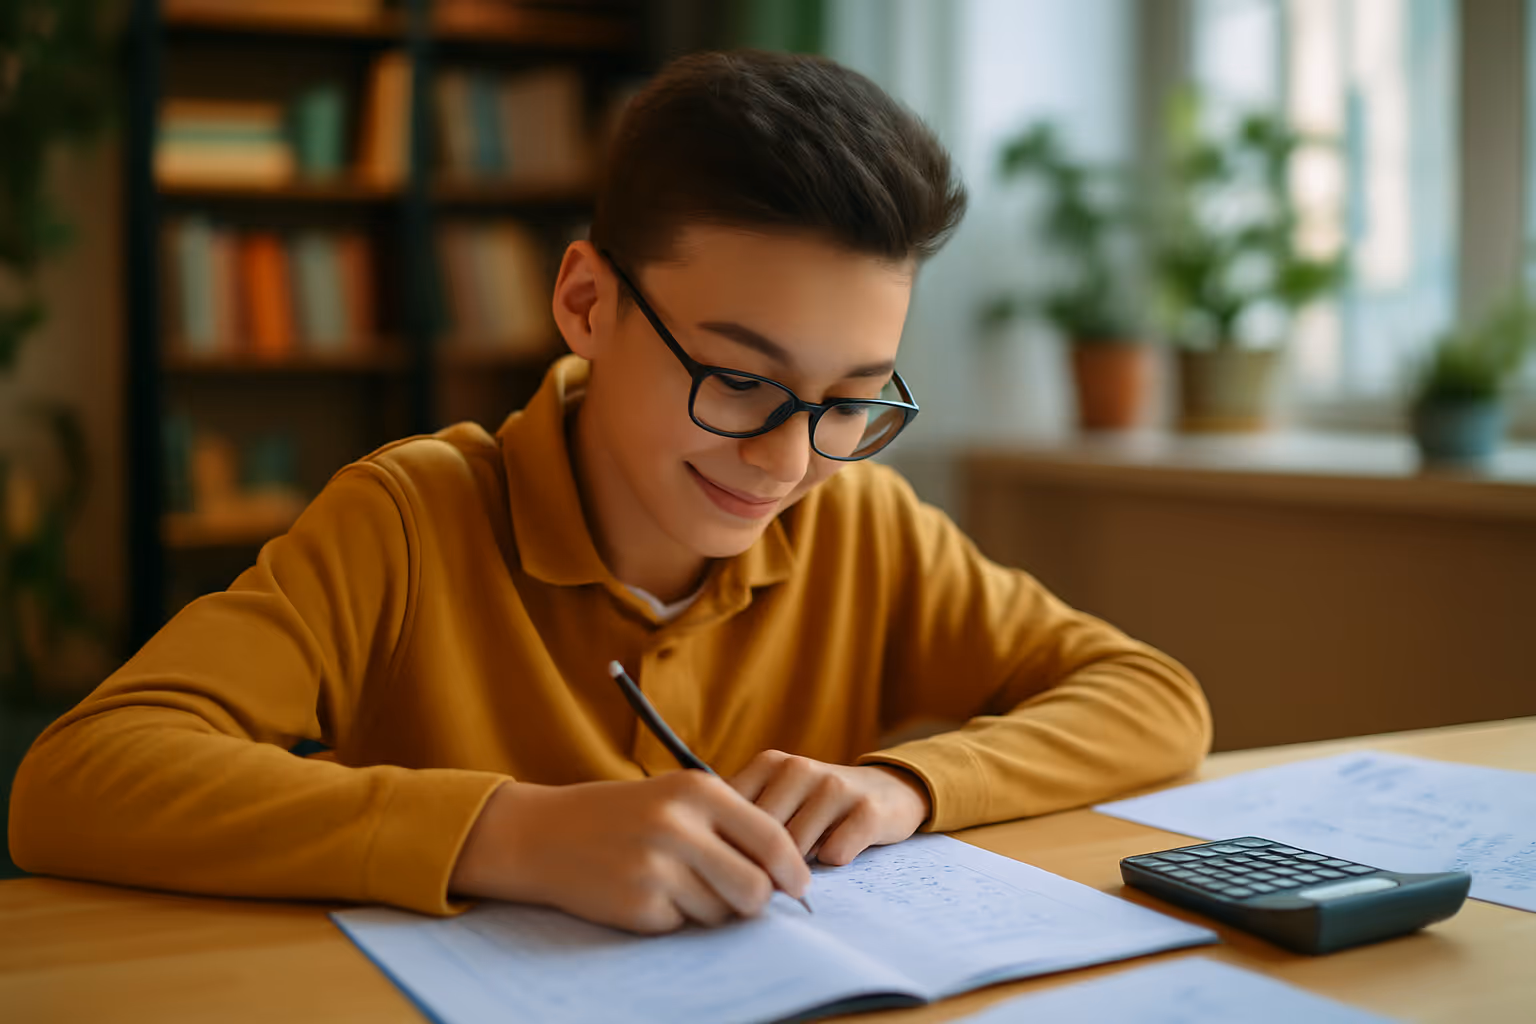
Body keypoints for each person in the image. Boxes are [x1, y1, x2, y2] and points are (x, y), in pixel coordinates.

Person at [9, 50, 1210, 934]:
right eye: (741, 379)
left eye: (849, 398)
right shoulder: (412, 518)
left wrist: (903, 784)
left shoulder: (862, 521)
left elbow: (1153, 698)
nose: (789, 461)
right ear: (587, 304)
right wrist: (509, 829)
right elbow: (79, 778)